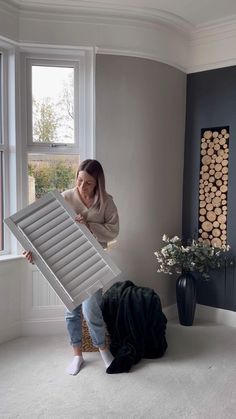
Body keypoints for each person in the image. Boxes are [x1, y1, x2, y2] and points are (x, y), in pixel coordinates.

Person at [24, 159, 119, 375]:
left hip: (92, 260)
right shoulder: (65, 198)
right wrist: (32, 251)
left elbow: (113, 231)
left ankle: (104, 351)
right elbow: (46, 231)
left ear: (97, 184)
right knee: (72, 310)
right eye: (79, 180)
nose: (82, 186)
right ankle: (77, 356)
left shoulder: (107, 202)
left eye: (88, 183)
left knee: (91, 308)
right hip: (66, 260)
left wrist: (89, 226)